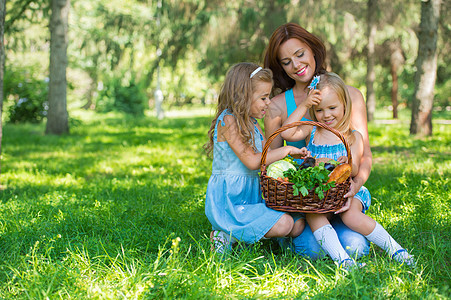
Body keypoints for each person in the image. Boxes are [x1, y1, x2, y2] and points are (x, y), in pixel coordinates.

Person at [281, 72, 414, 268]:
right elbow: (286, 132)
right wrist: (305, 105)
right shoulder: (313, 130)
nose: (326, 115)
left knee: (350, 215)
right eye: (319, 110)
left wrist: (346, 164)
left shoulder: (353, 136)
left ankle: (395, 249)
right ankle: (343, 261)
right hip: (320, 195)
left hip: (347, 192)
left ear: (345, 104)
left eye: (332, 108)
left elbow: (354, 171)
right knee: (313, 214)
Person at [263, 23, 372, 259]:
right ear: (280, 66)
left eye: (300, 54)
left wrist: (357, 184)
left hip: (340, 199)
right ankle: (295, 236)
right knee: (312, 250)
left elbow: (366, 155)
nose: (296, 65)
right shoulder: (277, 106)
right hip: (302, 205)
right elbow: (270, 166)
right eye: (286, 61)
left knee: (357, 247)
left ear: (313, 50)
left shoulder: (350, 95)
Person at [204, 62, 309, 253]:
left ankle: (241, 236)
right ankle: (225, 233)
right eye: (263, 98)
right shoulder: (228, 121)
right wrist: (285, 151)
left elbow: (263, 158)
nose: (268, 102)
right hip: (231, 201)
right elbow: (253, 161)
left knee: (297, 224)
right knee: (285, 224)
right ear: (242, 96)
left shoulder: (253, 125)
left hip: (251, 196)